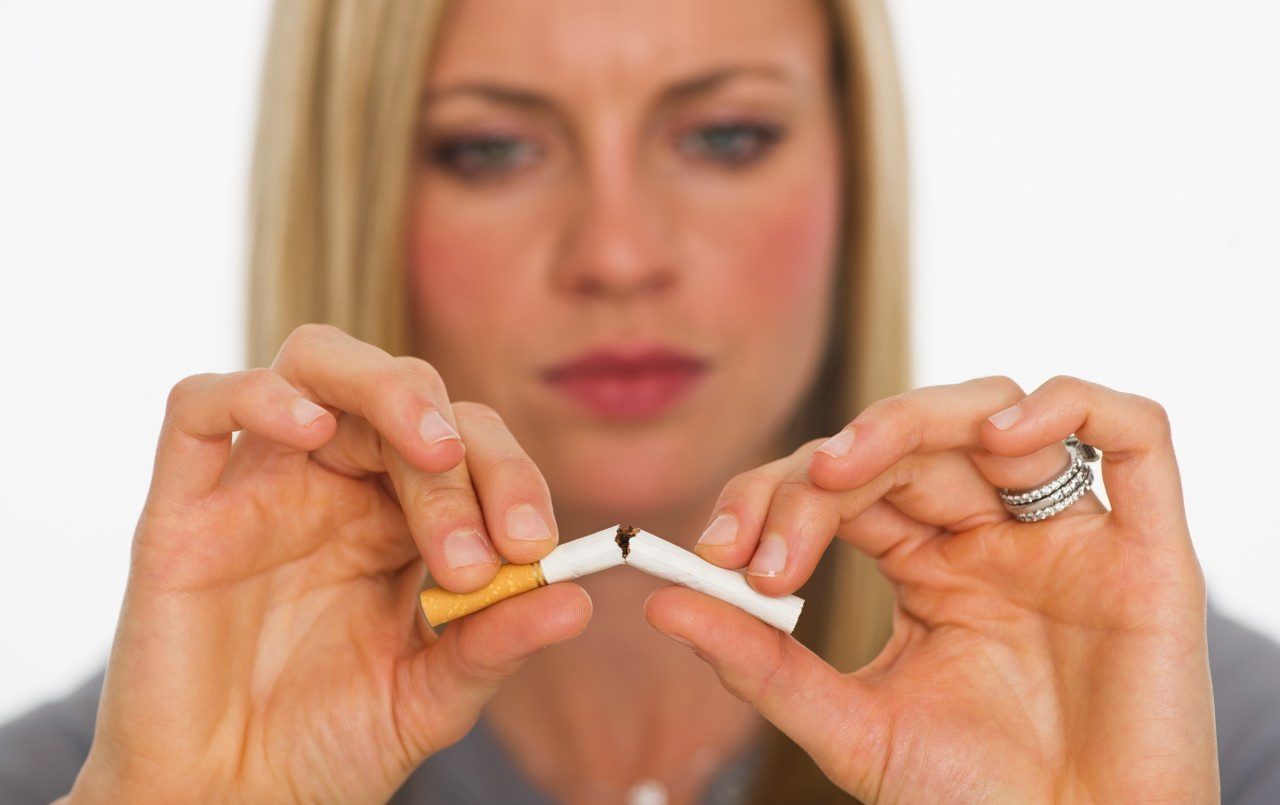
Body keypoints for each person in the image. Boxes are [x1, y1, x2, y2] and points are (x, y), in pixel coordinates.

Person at [3, 1, 1279, 802]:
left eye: (721, 135)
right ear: (365, 182)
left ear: (849, 165)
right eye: (491, 148)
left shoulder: (1204, 739)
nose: (617, 250)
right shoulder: (99, 777)